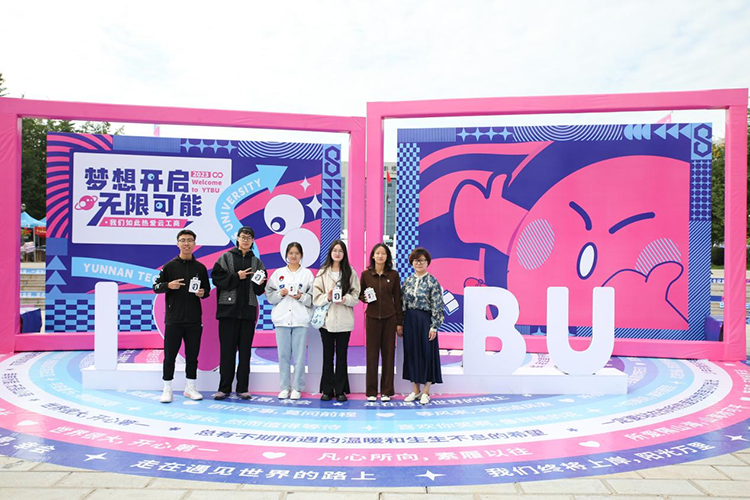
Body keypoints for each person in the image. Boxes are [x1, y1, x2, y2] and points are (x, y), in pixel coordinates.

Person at [153, 229, 210, 403]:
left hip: (194, 320)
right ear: (178, 243)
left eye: (190, 240)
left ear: (194, 244)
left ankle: (190, 387)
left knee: (192, 356)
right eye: (183, 240)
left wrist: (202, 293)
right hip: (174, 320)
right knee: (170, 356)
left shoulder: (200, 268)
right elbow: (156, 287)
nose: (186, 243)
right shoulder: (169, 266)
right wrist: (168, 285)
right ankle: (167, 388)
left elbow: (207, 290)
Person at [211, 226, 266, 400]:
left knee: (245, 353)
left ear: (253, 241)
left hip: (248, 313)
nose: (246, 240)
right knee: (227, 352)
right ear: (238, 238)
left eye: (249, 237)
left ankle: (243, 388)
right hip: (228, 312)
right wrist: (237, 276)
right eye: (243, 237)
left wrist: (260, 283)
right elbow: (217, 278)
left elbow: (259, 290)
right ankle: (224, 388)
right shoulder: (226, 257)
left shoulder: (257, 262)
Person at [312, 239, 360, 402]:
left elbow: (356, 295)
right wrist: (328, 296)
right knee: (327, 356)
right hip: (326, 322)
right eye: (335, 250)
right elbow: (315, 296)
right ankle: (327, 390)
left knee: (341, 357)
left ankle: (340, 390)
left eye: (340, 251)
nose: (337, 253)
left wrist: (345, 299)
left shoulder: (350, 272)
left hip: (345, 322)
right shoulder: (323, 272)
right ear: (330, 253)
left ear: (344, 253)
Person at [265, 242, 314, 400]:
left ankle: (297, 388)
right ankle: (285, 387)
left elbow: (313, 298)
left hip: (300, 320)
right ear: (286, 255)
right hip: (282, 319)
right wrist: (280, 293)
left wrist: (301, 296)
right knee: (283, 355)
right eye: (291, 253)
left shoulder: (307, 274)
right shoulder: (278, 273)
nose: (293, 256)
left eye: (296, 253)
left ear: (301, 255)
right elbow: (269, 295)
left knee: (299, 357)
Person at [360, 243, 403, 402]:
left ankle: (386, 391)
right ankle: (371, 392)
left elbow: (397, 299)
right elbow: (360, 294)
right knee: (371, 355)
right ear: (372, 256)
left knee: (388, 355)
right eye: (377, 253)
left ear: (387, 257)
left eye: (383, 253)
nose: (380, 256)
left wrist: (399, 322)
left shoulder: (394, 275)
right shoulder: (366, 275)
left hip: (390, 318)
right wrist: (365, 298)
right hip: (372, 318)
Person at [401, 247, 444, 405]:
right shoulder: (408, 281)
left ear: (427, 262)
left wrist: (434, 326)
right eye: (416, 260)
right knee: (411, 353)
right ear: (411, 262)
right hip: (410, 321)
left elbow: (438, 305)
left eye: (422, 260)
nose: (418, 263)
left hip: (426, 320)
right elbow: (402, 303)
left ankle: (426, 391)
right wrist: (401, 323)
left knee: (427, 353)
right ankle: (415, 390)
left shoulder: (432, 281)